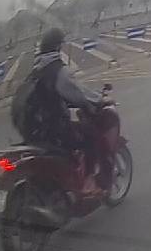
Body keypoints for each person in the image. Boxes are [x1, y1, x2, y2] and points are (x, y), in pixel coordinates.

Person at [12, 28, 105, 186]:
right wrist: (100, 100)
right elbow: (79, 94)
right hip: (53, 131)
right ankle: (88, 181)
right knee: (91, 137)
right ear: (57, 47)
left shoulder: (36, 70)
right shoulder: (57, 70)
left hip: (33, 133)